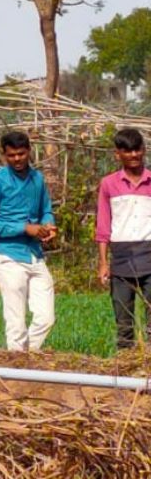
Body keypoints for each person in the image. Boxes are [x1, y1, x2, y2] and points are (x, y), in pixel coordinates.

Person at [0, 131, 57, 351]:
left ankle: (26, 359)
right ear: (4, 155)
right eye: (11, 155)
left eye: (21, 154)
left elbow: (46, 211)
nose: (17, 159)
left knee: (46, 317)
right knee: (16, 322)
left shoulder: (37, 179)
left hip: (35, 255)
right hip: (8, 255)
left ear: (29, 151)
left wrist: (48, 226)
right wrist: (24, 228)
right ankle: (17, 366)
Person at [95, 128, 151, 350]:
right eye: (128, 151)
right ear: (117, 154)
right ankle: (126, 367)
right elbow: (103, 225)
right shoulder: (109, 184)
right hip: (121, 257)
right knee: (123, 320)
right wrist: (103, 262)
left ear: (144, 150)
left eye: (137, 149)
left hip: (149, 254)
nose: (134, 155)